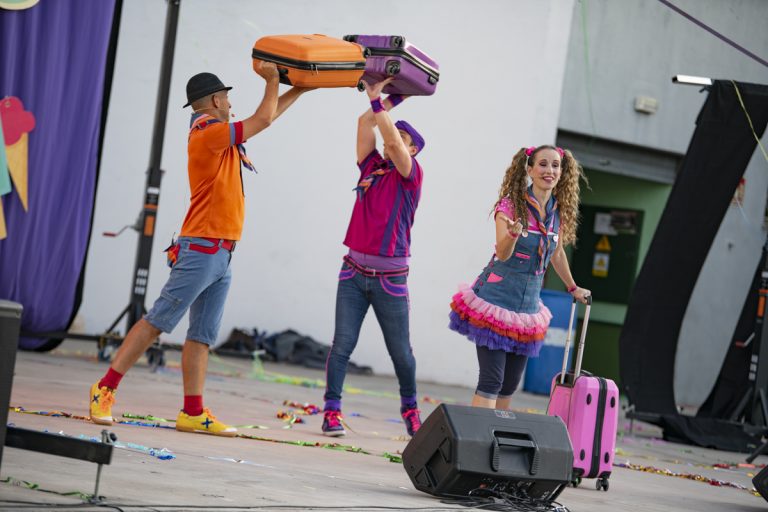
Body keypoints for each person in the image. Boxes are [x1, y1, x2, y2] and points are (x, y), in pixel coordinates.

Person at [88, 65, 313, 436]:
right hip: (203, 248)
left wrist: (299, 91)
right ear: (214, 101)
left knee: (202, 335)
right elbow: (263, 121)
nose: (231, 103)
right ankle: (105, 387)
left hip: (222, 252)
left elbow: (266, 116)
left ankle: (192, 412)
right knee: (158, 321)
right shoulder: (206, 131)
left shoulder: (218, 135)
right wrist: (274, 81)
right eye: (227, 97)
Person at [449, 145, 591, 410]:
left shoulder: (557, 212)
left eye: (555, 165)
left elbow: (556, 253)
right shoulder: (511, 205)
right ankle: (478, 441)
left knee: (509, 383)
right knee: (492, 380)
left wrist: (573, 288)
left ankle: (497, 440)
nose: (549, 170)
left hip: (526, 309)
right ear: (529, 169)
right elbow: (502, 253)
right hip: (496, 301)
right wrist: (513, 234)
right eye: (543, 164)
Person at [321, 77, 425, 437]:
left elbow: (392, 142)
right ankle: (331, 411)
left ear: (413, 150)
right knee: (342, 345)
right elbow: (365, 123)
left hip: (390, 281)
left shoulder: (411, 175)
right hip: (353, 272)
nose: (393, 138)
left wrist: (379, 100)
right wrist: (391, 97)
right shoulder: (370, 168)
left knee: (400, 353)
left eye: (403, 138)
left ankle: (410, 408)